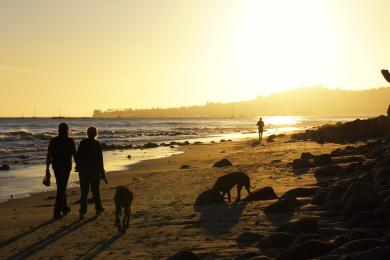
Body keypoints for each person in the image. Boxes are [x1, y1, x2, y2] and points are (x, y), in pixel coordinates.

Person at [46, 122, 77, 220]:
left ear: (58, 130)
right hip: (66, 167)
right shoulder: (70, 141)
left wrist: (47, 169)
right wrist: (78, 165)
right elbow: (74, 154)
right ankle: (56, 212)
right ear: (66, 130)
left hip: (56, 167)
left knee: (61, 186)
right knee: (62, 188)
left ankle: (64, 208)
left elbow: (49, 156)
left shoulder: (53, 141)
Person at [76, 126, 106, 220]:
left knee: (84, 192)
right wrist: (102, 172)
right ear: (95, 134)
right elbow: (100, 159)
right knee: (95, 191)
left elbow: (78, 156)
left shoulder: (83, 143)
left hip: (84, 170)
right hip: (95, 170)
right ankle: (98, 208)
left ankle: (82, 211)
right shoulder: (97, 144)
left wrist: (78, 166)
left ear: (87, 134)